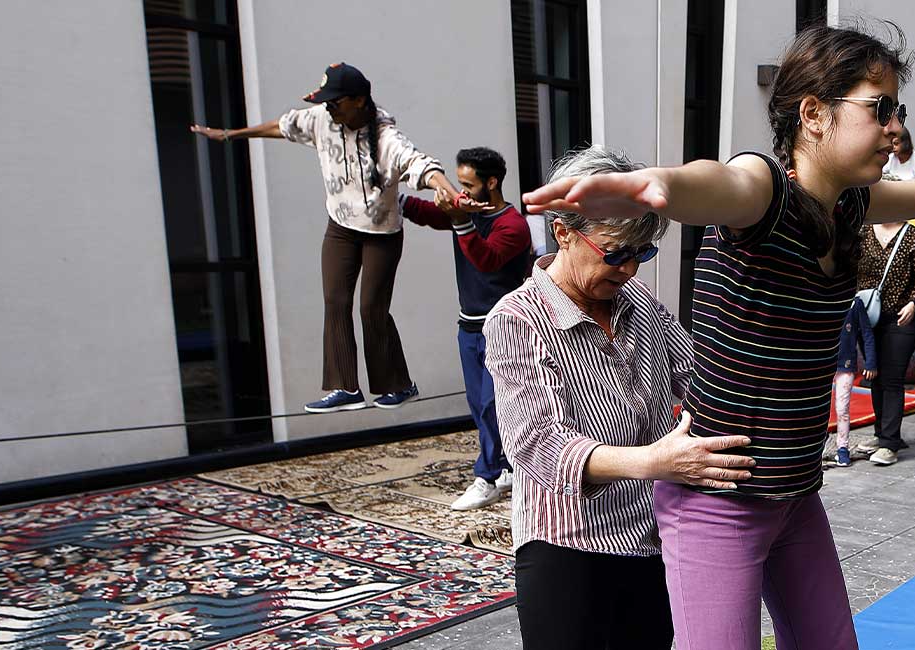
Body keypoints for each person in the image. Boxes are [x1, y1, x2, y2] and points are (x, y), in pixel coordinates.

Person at [521, 24, 915, 648]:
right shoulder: (763, 192)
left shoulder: (850, 204)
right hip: (721, 500)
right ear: (814, 115)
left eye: (898, 110)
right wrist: (661, 187)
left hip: (796, 495)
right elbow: (720, 181)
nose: (894, 127)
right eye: (879, 108)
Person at [484, 146, 756, 649]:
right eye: (615, 254)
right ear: (564, 231)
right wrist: (655, 461)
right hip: (567, 549)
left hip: (651, 539)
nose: (629, 270)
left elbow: (696, 376)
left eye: (642, 254)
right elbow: (536, 445)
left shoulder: (641, 304)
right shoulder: (516, 318)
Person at [192, 62, 457, 413]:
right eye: (326, 102)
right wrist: (230, 135)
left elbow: (421, 165)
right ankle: (345, 388)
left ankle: (398, 384)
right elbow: (282, 126)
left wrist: (451, 194)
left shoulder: (387, 138)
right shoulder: (321, 119)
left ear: (359, 101)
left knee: (370, 309)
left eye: (336, 102)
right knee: (335, 301)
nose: (329, 108)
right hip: (340, 228)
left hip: (381, 235)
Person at [397, 147, 532, 511]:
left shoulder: (513, 225)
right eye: (459, 184)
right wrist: (392, 198)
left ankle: (486, 477)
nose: (461, 192)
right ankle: (505, 468)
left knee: (493, 404)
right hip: (468, 327)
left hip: (505, 328)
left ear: (492, 182)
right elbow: (427, 212)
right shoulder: (465, 212)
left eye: (468, 185)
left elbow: (486, 261)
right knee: (478, 405)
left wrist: (460, 221)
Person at [853, 219, 915, 466]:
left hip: (901, 318)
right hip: (867, 317)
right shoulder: (862, 233)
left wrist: (914, 303)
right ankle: (881, 435)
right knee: (875, 376)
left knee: (892, 377)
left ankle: (890, 443)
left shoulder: (913, 238)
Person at [830, 299, 877, 467]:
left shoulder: (856, 304)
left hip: (846, 365)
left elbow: (866, 333)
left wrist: (870, 362)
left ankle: (842, 448)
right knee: (818, 408)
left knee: (842, 408)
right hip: (821, 363)